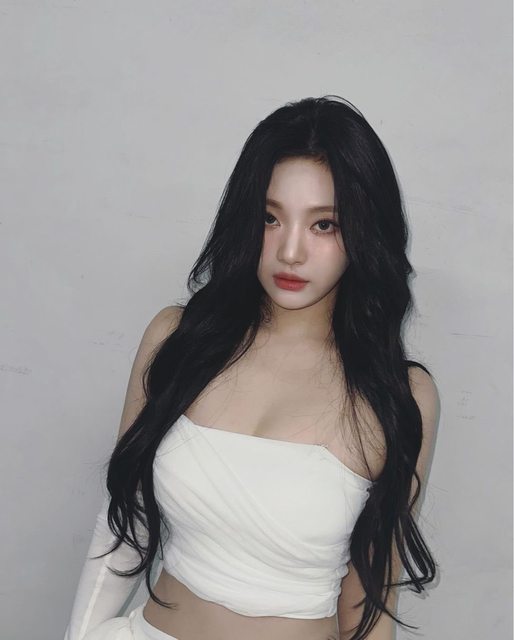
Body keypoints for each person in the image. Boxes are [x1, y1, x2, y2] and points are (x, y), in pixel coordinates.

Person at [63, 95, 441, 640]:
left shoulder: (398, 395)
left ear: (364, 233)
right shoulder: (178, 338)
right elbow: (124, 525)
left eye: (324, 225)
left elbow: (369, 605)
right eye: (270, 217)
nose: (290, 251)